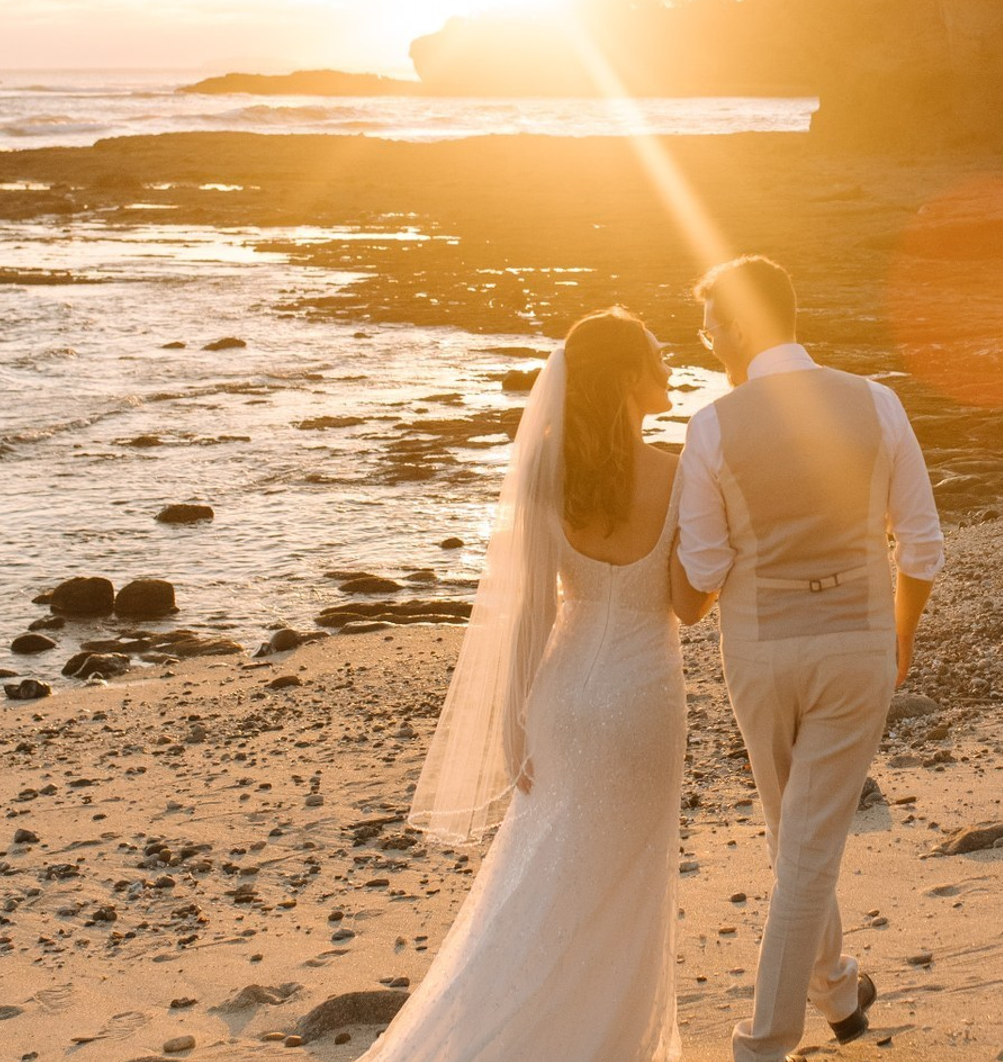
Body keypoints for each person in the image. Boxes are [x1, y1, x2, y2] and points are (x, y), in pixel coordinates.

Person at [369, 307, 706, 1062]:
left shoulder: (546, 469)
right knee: (629, 881)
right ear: (625, 377)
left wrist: (510, 722)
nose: (668, 365)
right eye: (656, 354)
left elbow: (526, 610)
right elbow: (686, 605)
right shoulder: (680, 470)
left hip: (560, 697)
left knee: (539, 875)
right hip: (644, 695)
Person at [673, 254, 944, 1062]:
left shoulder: (714, 425)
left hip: (759, 652)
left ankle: (769, 1037)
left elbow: (706, 570)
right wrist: (903, 634)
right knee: (806, 841)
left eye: (712, 323)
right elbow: (922, 545)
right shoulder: (878, 402)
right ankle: (825, 998)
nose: (708, 339)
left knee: (797, 838)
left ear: (749, 324)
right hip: (859, 640)